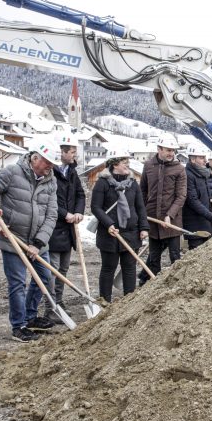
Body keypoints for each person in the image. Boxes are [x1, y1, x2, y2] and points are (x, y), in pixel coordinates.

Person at [0, 138, 61, 342]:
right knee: (17, 284)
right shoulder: (12, 173)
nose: (50, 167)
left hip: (37, 242)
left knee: (44, 277)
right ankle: (19, 325)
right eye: (47, 162)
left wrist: (39, 243)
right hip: (12, 240)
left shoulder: (51, 180)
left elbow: (52, 215)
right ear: (35, 158)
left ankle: (30, 315)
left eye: (52, 164)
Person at [91, 148, 148, 303]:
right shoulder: (102, 183)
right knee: (108, 268)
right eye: (125, 162)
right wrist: (108, 224)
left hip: (131, 233)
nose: (128, 165)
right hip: (110, 233)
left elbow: (140, 207)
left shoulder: (132, 184)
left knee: (129, 268)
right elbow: (96, 207)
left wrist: (143, 227)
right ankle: (104, 301)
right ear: (115, 164)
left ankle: (129, 301)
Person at [139, 133, 187, 282]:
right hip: (153, 219)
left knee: (175, 256)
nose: (171, 153)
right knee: (154, 257)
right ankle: (150, 286)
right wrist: (143, 213)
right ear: (159, 149)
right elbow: (143, 191)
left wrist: (170, 215)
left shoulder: (179, 169)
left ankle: (177, 286)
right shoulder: (148, 166)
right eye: (168, 150)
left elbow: (181, 196)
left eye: (173, 150)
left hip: (172, 221)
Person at [47, 133, 85, 310]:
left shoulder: (72, 172)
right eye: (71, 152)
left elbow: (80, 194)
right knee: (52, 270)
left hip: (68, 229)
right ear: (61, 153)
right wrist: (65, 214)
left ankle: (59, 302)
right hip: (53, 228)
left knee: (63, 269)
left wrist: (78, 211)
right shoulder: (51, 172)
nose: (74, 155)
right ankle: (50, 306)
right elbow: (49, 199)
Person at [183, 142, 212, 248]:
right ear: (192, 159)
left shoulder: (201, 174)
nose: (205, 160)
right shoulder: (188, 175)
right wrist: (210, 215)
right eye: (202, 158)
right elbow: (192, 200)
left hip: (204, 222)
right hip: (194, 225)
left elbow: (205, 196)